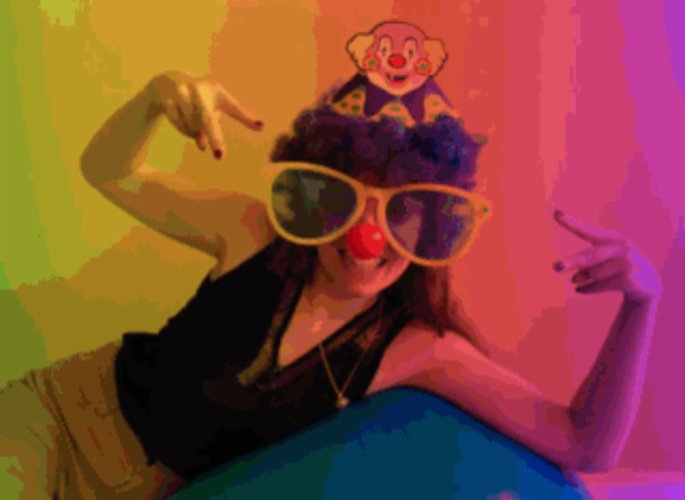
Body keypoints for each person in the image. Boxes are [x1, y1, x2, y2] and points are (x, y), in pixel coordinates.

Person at [0, 23, 663, 499]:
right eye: (346, 196)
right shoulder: (253, 231)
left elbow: (583, 444)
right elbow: (108, 172)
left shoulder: (417, 350)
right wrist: (155, 97)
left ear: (431, 223)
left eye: (400, 208)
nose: (366, 235)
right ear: (314, 193)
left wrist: (642, 303)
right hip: (61, 419)